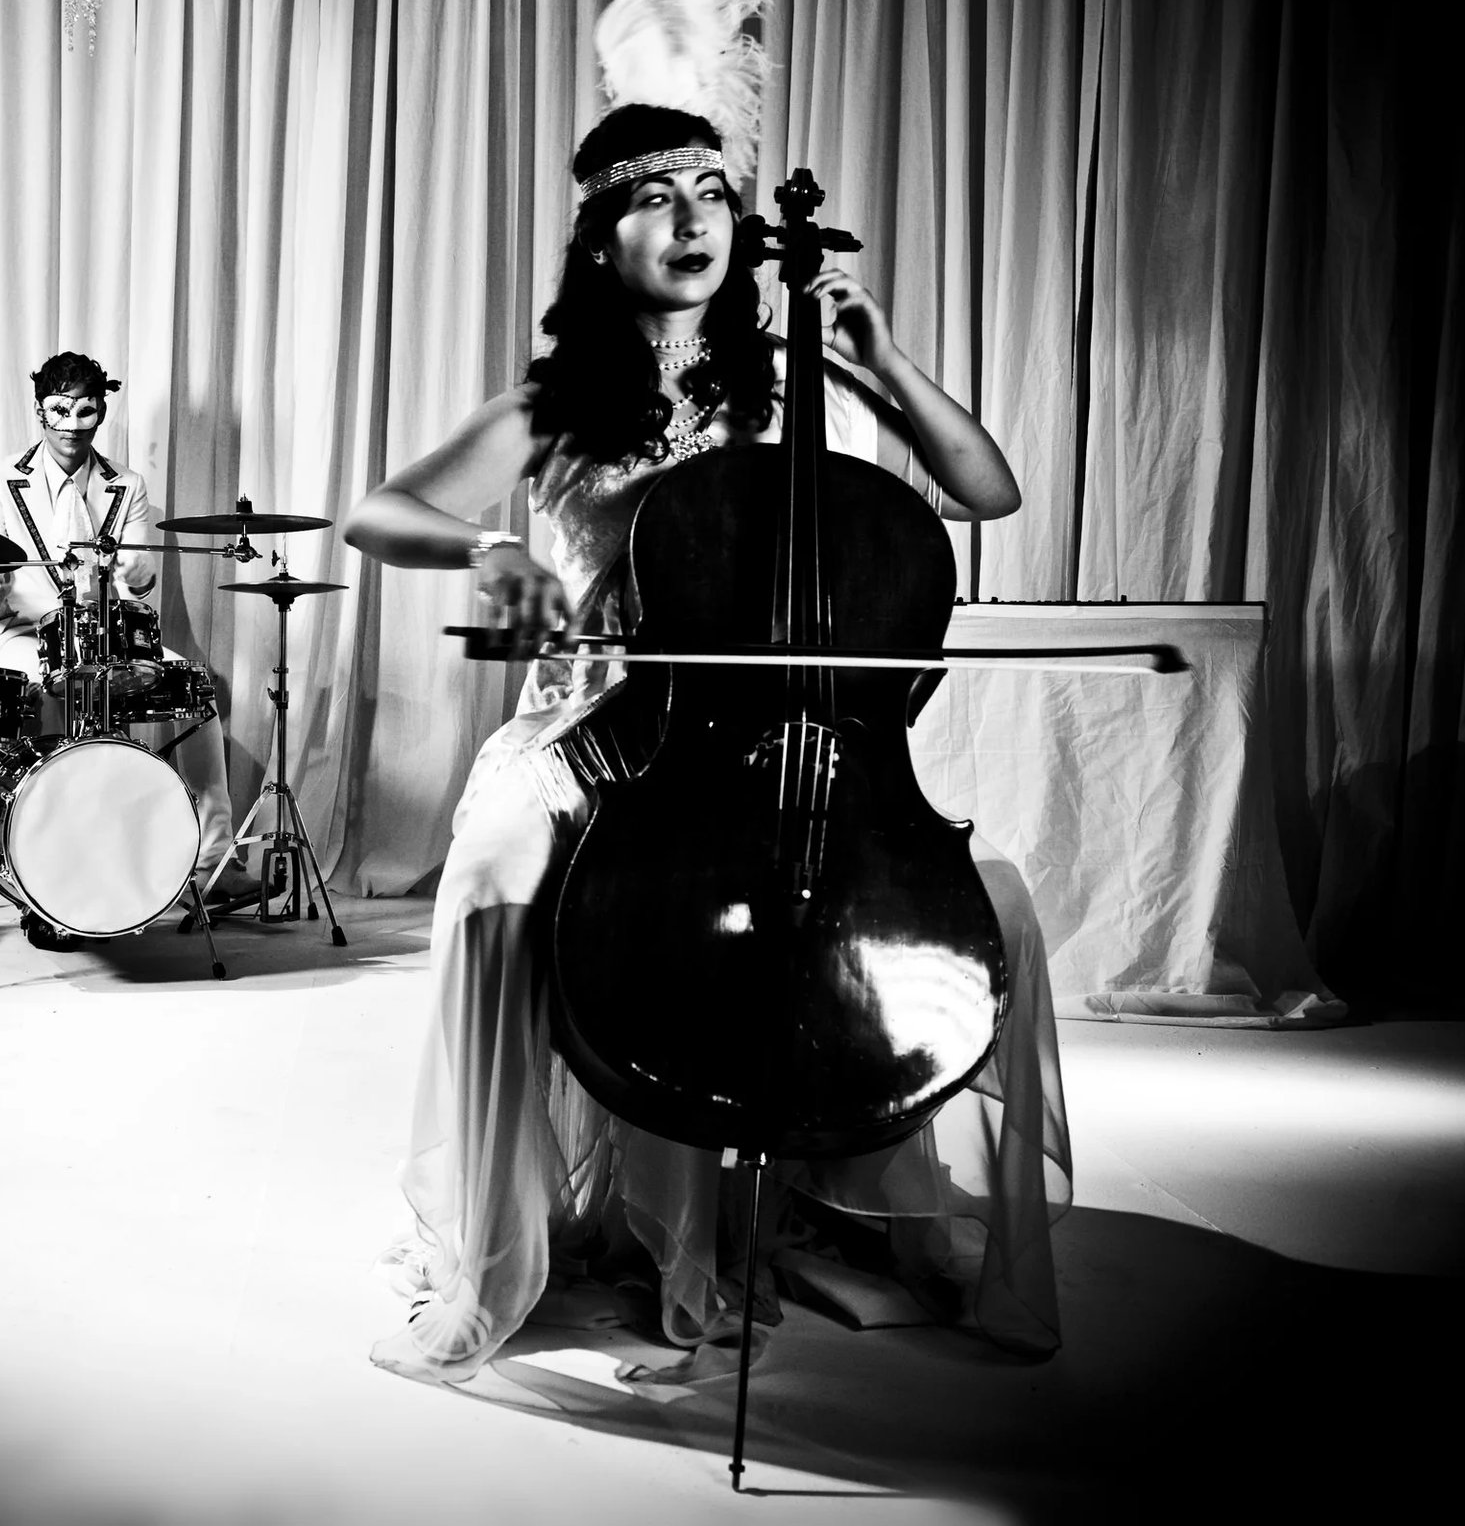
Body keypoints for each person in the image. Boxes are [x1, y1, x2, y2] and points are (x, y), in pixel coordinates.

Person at [341, 105, 1070, 1384]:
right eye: (653, 197)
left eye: (711, 194)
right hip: (594, 721)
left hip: (775, 731)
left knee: (987, 895)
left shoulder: (793, 382)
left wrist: (883, 360)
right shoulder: (554, 404)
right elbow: (379, 511)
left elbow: (986, 488)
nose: (691, 220)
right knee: (504, 873)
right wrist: (492, 547)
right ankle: (495, 1239)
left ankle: (845, 1185)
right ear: (599, 237)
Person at [0, 351, 260, 945]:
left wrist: (137, 567)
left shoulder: (128, 485)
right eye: (60, 411)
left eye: (87, 411)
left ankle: (213, 862)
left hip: (103, 641)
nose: (72, 424)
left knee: (192, 688)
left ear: (103, 412)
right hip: (20, 635)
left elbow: (140, 585)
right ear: (40, 409)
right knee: (43, 686)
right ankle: (42, 868)